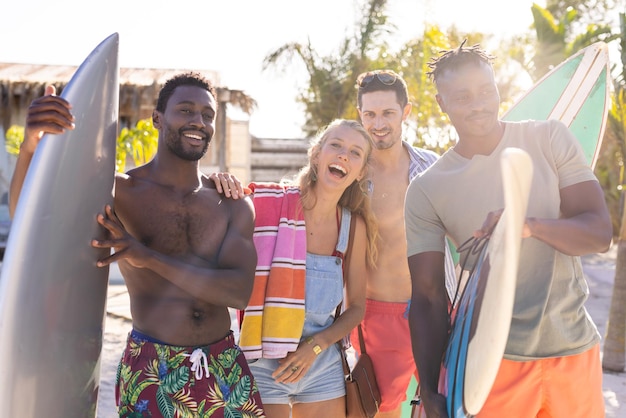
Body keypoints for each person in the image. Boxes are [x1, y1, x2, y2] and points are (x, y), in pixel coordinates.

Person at [9, 73, 265, 417]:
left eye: (207, 114)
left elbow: (237, 292)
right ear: (157, 119)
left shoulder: (230, 202)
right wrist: (30, 146)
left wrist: (148, 257)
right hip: (152, 368)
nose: (198, 122)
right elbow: (31, 220)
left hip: (223, 365)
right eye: (185, 110)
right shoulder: (119, 192)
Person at [405, 42, 612, 418]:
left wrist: (527, 225)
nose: (478, 104)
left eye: (486, 91)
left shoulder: (549, 138)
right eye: (462, 96)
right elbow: (427, 297)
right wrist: (431, 387)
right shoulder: (427, 188)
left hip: (573, 350)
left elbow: (598, 232)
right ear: (441, 103)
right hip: (489, 362)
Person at [237, 119, 378, 418]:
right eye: (336, 145)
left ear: (361, 172)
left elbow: (356, 309)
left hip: (322, 365)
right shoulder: (267, 206)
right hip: (262, 364)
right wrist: (223, 182)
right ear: (316, 154)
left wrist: (314, 347)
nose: (343, 155)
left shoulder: (353, 227)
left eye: (355, 153)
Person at [351, 69, 455, 417]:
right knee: (383, 411)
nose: (378, 123)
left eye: (387, 113)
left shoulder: (432, 167)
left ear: (405, 113)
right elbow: (301, 195)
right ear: (360, 115)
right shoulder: (350, 174)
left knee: (449, 405)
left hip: (437, 310)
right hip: (378, 314)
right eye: (369, 114)